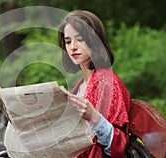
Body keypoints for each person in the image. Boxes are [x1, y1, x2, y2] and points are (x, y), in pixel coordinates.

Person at [58, 10, 131, 157]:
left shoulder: (108, 83)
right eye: (68, 41)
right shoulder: (80, 87)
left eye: (80, 39)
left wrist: (94, 117)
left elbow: (117, 147)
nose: (73, 47)